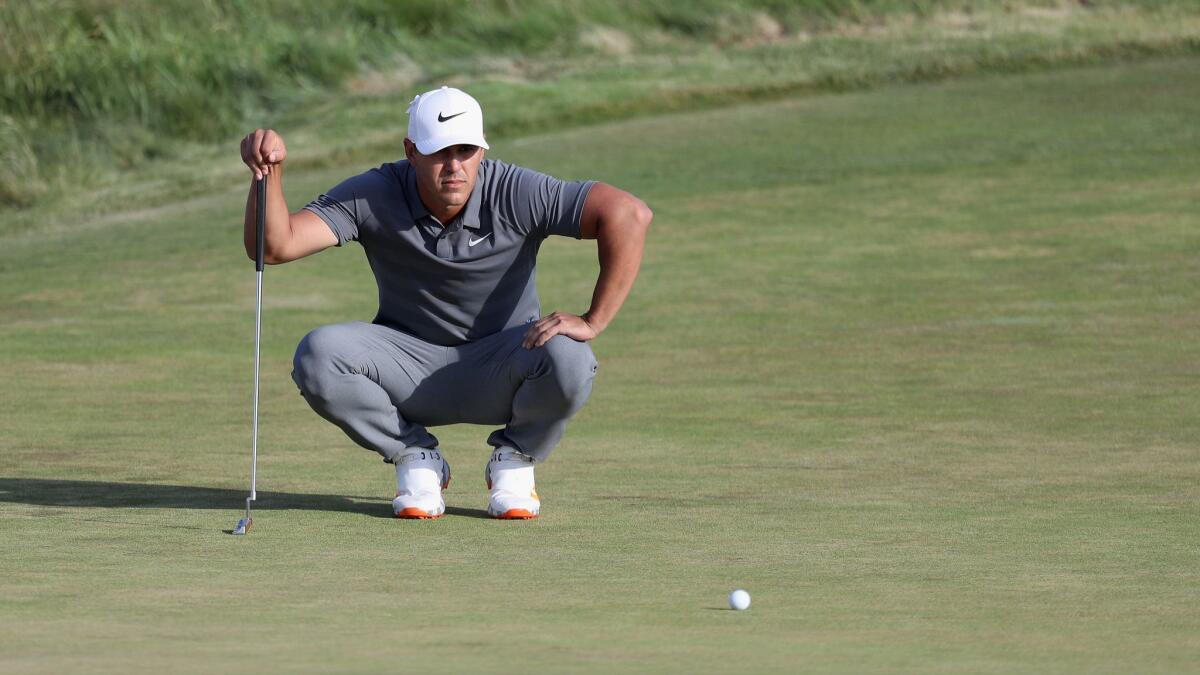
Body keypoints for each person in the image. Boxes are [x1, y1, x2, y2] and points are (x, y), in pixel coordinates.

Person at [239, 86, 652, 520]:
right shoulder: (375, 192)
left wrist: (593, 320)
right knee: (319, 355)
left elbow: (628, 214)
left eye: (466, 150)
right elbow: (275, 246)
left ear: (482, 150)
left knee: (570, 356)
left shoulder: (515, 190)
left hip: (504, 366)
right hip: (409, 370)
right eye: (438, 153)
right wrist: (269, 175)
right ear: (411, 151)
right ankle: (415, 457)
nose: (454, 166)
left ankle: (515, 460)